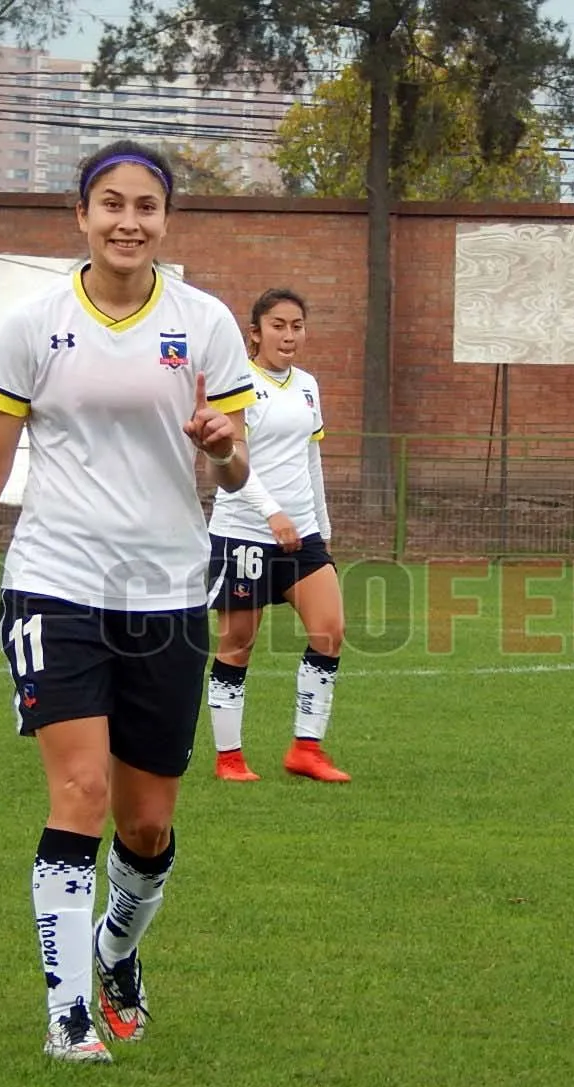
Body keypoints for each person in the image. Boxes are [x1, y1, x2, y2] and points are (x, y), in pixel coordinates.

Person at [0, 140, 255, 1065]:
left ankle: (115, 951)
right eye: (111, 203)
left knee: (146, 826)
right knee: (80, 792)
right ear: (81, 215)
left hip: (168, 595)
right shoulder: (32, 325)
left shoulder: (205, 323)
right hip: (53, 585)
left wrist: (223, 446)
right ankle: (67, 1016)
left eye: (146, 206)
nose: (128, 222)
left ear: (166, 220)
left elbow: (234, 471)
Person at [206, 289, 349, 784]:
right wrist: (271, 514)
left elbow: (311, 460)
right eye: (278, 325)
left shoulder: (308, 385)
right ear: (255, 332)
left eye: (297, 326)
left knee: (329, 632)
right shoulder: (238, 384)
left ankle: (306, 749)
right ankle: (229, 759)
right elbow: (231, 459)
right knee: (238, 643)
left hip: (302, 534)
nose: (289, 336)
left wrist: (321, 528)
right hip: (243, 532)